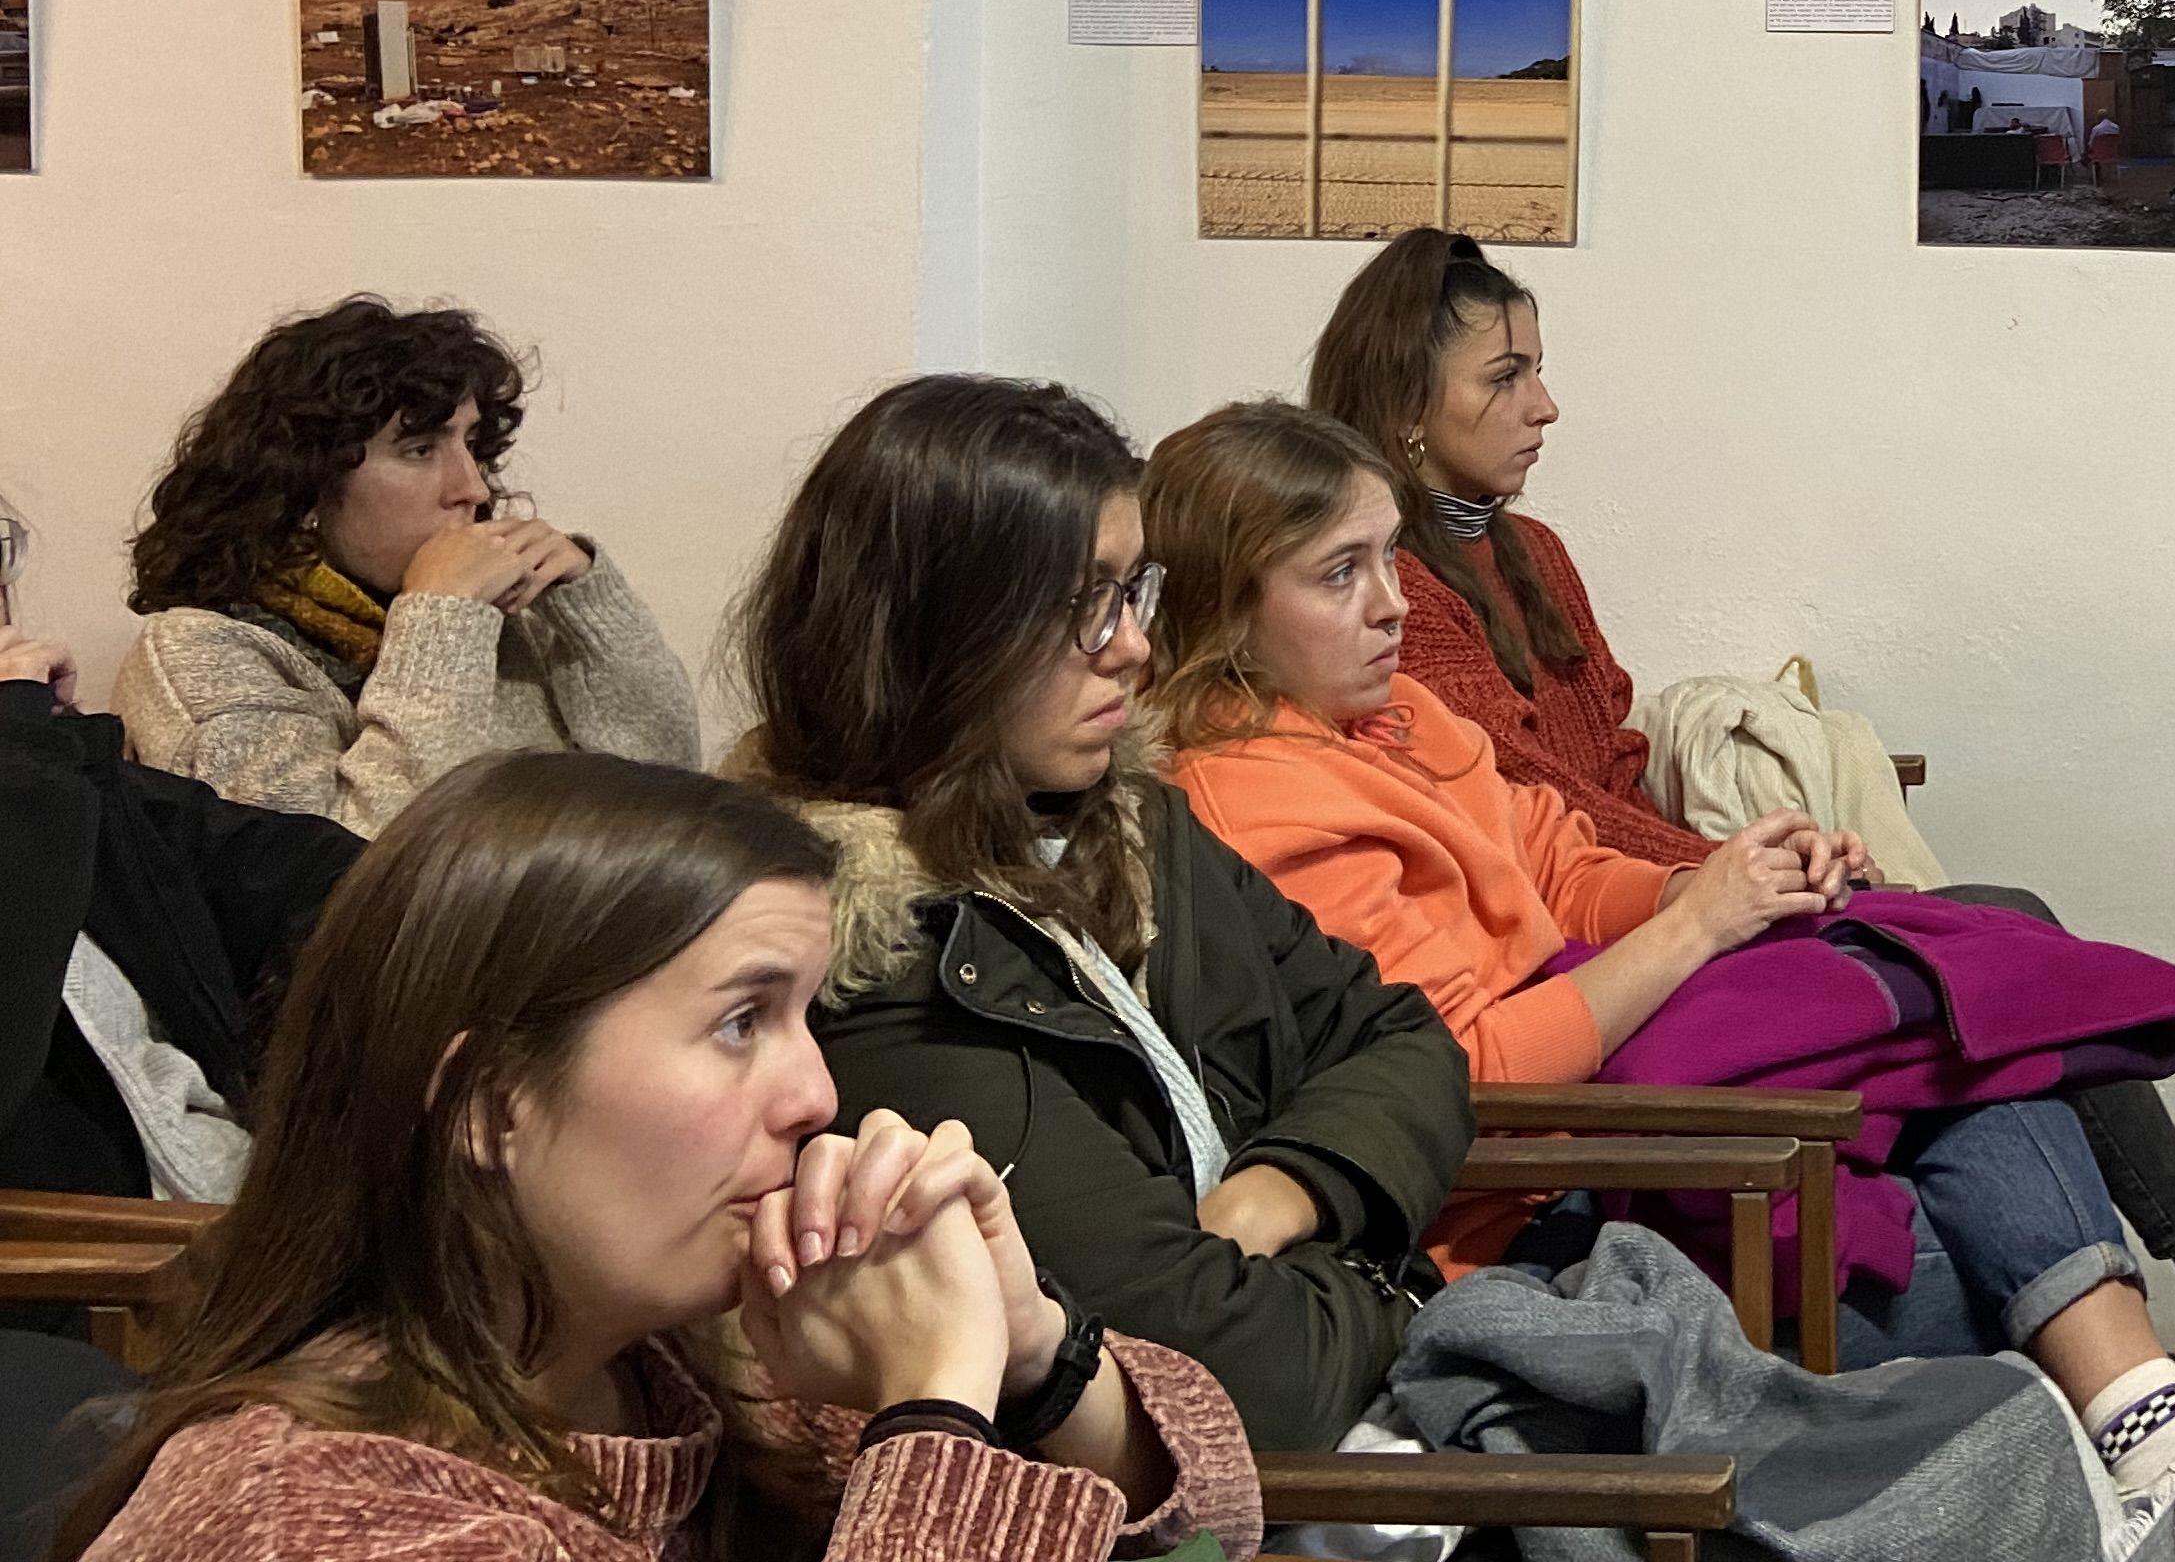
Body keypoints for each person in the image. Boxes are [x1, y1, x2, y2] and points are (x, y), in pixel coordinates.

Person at [1146, 402, 2175, 1562]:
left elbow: (1561, 858)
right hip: (1533, 1219)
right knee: (1978, 1083)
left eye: (1389, 555)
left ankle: (2168, 1455)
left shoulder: (1396, 721)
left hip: (1620, 1123)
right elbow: (1448, 1082)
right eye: (1342, 573)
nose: (1392, 602)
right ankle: (2174, 1446)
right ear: (1222, 611)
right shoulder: (1255, 800)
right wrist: (1694, 933)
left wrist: (1717, 885)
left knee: (1967, 1030)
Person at [1304, 229, 2175, 1365]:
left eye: (1541, 369)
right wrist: (1725, 880)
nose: (1545, 405)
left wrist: (1740, 862)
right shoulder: (1398, 604)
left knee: (1989, 945)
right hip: (1592, 980)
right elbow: (1536, 815)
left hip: (1647, 916)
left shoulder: (1536, 553)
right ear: (1408, 405)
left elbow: (1606, 765)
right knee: (1989, 951)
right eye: (1507, 377)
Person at [53, 748, 1257, 1562]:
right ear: (488, 1100)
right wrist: (935, 1412)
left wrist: (1032, 1349)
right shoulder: (309, 1516)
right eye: (742, 1022)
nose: (818, 1092)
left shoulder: (702, 1374)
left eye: (804, 1018)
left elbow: (1216, 1511)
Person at [727, 373, 1474, 1450]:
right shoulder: (878, 972)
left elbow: (1405, 1036)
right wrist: (1396, 1289)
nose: (1137, 646)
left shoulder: (1129, 829)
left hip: (1385, 1425)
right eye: (1086, 604)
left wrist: (1287, 1188)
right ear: (934, 633)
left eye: (1135, 591)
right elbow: (1250, 1385)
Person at [110, 297, 700, 834]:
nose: (471, 488)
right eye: (420, 451)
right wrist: (440, 623)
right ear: (306, 487)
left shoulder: (495, 613)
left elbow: (671, 800)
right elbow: (346, 867)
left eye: (471, 445)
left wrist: (589, 611)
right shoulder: (199, 651)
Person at [2, 609, 356, 1223]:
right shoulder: (25, 781)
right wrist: (17, 748)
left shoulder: (63, 781)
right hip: (123, 1284)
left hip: (254, 1222)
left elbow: (340, 872)